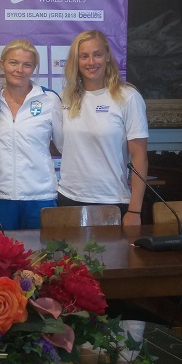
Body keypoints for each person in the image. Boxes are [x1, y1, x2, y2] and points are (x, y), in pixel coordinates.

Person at [53, 30, 148, 226]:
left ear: (107, 56)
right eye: (84, 56)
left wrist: (135, 210)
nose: (91, 62)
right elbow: (61, 146)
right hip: (68, 198)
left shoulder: (128, 97)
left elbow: (139, 157)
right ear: (76, 61)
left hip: (111, 200)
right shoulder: (65, 97)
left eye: (97, 54)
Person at [0, 39, 61, 230]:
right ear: (2, 64)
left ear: (34, 68)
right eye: (13, 63)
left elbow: (62, 145)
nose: (19, 70)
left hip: (40, 196)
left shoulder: (49, 99)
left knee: (41, 249)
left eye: (27, 64)